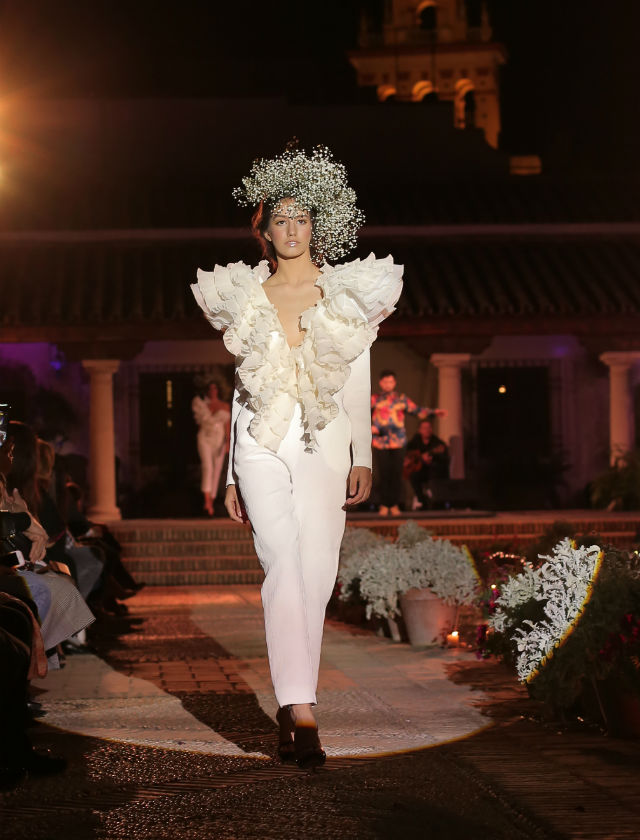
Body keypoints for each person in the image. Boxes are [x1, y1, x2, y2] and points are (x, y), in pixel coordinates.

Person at [191, 143, 402, 768]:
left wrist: (363, 452)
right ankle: (302, 710)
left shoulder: (346, 290)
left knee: (316, 570)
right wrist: (232, 467)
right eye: (278, 219)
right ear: (263, 230)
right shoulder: (244, 292)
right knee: (280, 560)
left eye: (301, 218)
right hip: (260, 441)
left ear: (317, 224)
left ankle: (293, 699)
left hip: (324, 439)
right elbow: (241, 383)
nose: (291, 230)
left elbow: (359, 370)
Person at [371, 370, 446, 516]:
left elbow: (417, 410)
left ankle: (394, 504)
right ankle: (384, 504)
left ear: (395, 383)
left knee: (396, 474)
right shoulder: (374, 399)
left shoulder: (401, 399)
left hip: (398, 441)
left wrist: (434, 412)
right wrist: (370, 426)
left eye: (391, 382)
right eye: (385, 382)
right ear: (381, 383)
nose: (388, 384)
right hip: (381, 442)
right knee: (384, 474)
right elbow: (362, 415)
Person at [192, 380, 231, 516]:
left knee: (216, 469)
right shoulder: (201, 405)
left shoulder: (224, 406)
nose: (213, 391)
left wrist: (227, 443)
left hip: (219, 439)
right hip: (204, 437)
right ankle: (207, 501)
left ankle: (211, 501)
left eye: (215, 388)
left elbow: (227, 426)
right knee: (207, 467)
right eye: (210, 388)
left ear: (218, 390)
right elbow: (199, 423)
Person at [405, 419, 449, 509]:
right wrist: (412, 459)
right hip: (420, 471)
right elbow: (407, 454)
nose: (427, 430)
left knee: (435, 474)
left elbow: (444, 459)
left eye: (429, 427)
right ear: (419, 430)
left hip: (433, 470)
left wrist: (432, 459)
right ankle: (423, 501)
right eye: (424, 428)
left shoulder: (438, 443)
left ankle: (435, 502)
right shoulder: (414, 441)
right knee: (413, 476)